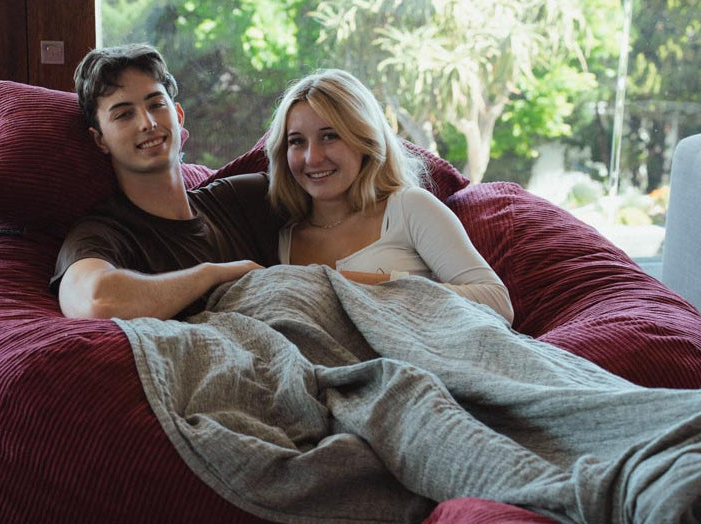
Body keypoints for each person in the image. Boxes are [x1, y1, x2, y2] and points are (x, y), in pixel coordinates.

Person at [265, 69, 514, 323]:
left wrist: (374, 284)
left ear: (365, 139)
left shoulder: (408, 207)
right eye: (297, 142)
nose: (312, 158)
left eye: (330, 136)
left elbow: (496, 301)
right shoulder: (285, 241)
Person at [53, 44, 280, 320]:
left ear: (179, 116)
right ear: (100, 139)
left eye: (156, 105)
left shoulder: (242, 198)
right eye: (124, 114)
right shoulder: (101, 234)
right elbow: (97, 302)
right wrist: (213, 274)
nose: (147, 123)